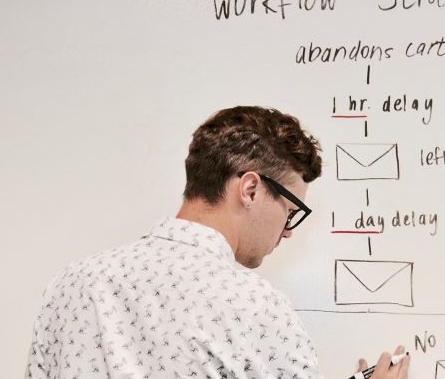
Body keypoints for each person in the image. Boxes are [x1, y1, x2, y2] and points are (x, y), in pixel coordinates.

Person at [25, 106, 410, 379]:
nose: (288, 230)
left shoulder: (70, 284)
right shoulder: (254, 307)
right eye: (291, 210)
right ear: (251, 188)